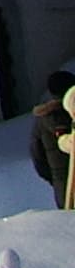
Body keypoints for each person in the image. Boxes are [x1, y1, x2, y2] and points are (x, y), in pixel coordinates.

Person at [30, 70, 75, 206]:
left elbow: (37, 156)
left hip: (61, 186)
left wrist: (55, 178)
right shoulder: (71, 115)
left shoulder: (42, 121)